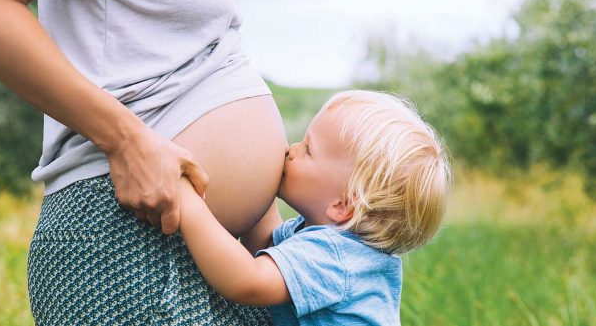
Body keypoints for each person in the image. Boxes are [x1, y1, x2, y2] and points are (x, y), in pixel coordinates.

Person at [0, 0, 287, 324]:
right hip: (127, 240)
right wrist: (126, 140)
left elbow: (202, 66)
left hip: (214, 258)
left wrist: (263, 218)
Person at [177, 90, 451, 325]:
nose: (292, 150)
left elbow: (248, 282)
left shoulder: (335, 257)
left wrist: (187, 201)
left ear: (342, 205)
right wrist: (258, 174)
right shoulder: (327, 239)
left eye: (308, 149)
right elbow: (264, 244)